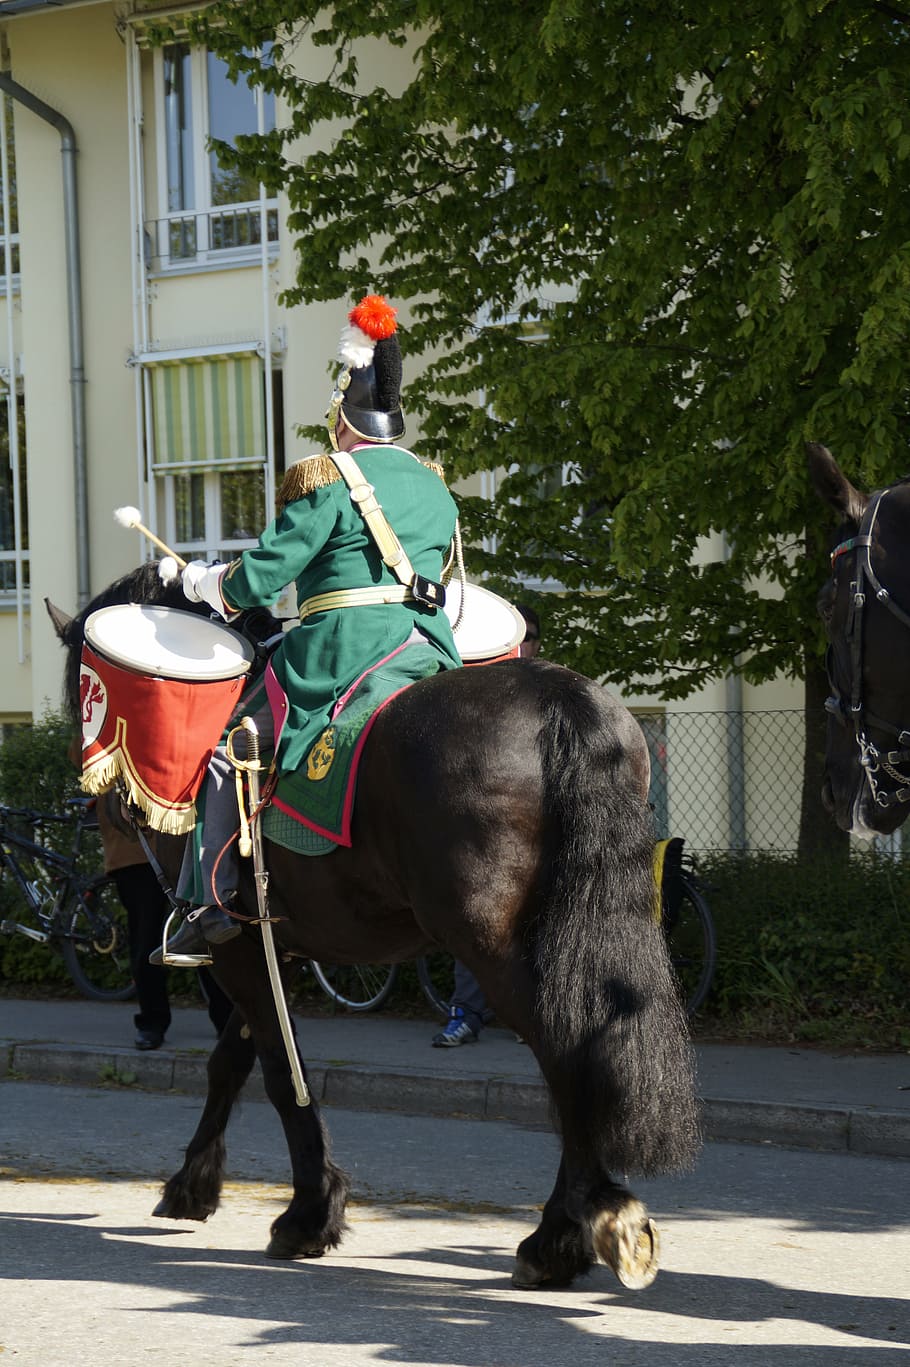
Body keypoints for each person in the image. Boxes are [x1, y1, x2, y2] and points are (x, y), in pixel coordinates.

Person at [156, 294, 463, 963]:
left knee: (229, 749)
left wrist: (203, 580)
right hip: (426, 647)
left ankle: (207, 903)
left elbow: (260, 580)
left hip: (341, 654)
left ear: (339, 415)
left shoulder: (326, 478)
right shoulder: (434, 484)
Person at [431, 604, 541, 1047]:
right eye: (515, 635)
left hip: (540, 832)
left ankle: (531, 1015)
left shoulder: (550, 694)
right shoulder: (481, 695)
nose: (521, 643)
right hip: (490, 833)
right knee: (475, 920)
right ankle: (468, 1014)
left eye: (529, 634)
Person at [96, 798, 233, 1049]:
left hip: (185, 838)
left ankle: (229, 1020)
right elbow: (85, 760)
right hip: (134, 846)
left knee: (206, 929)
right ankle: (152, 1022)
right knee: (146, 939)